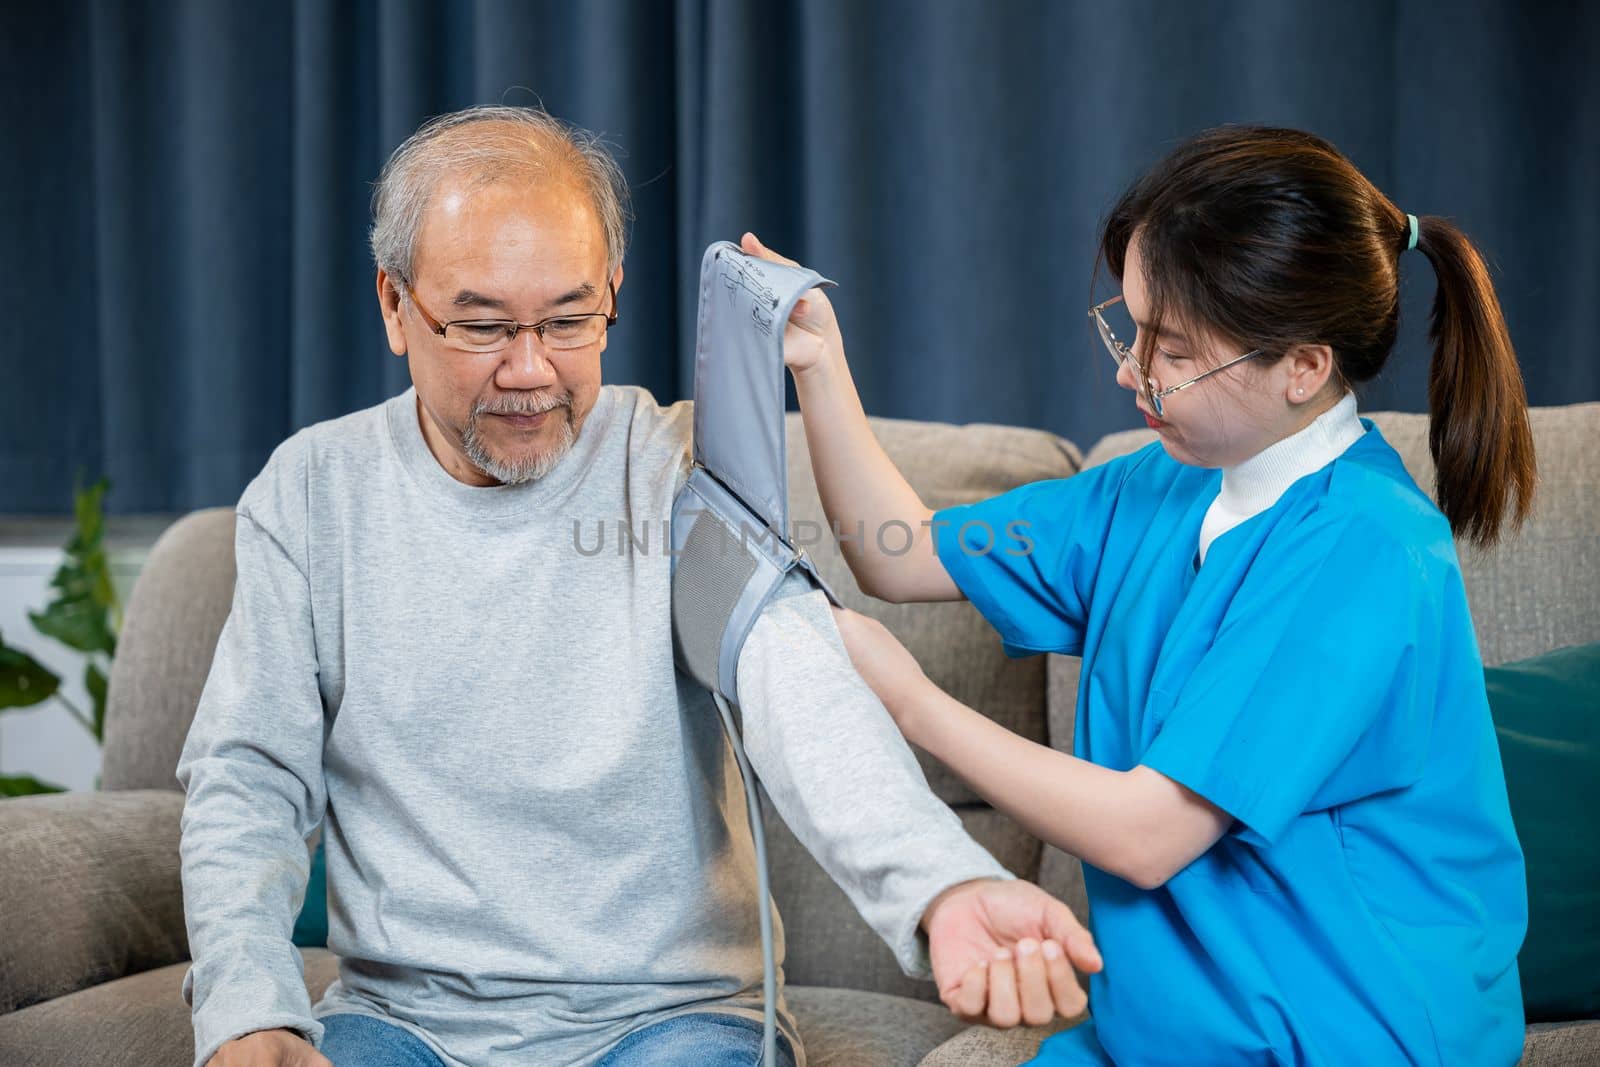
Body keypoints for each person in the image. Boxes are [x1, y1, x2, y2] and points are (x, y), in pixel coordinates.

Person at [177, 105, 1101, 1067]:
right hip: (402, 1023)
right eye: (484, 324)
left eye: (570, 320)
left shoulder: (675, 480)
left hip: (675, 1021)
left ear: (614, 294)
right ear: (394, 306)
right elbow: (250, 776)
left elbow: (796, 681)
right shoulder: (313, 494)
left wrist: (941, 885)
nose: (530, 370)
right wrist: (250, 1008)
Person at [756, 125, 1534, 1065]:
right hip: (1165, 1035)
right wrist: (822, 369)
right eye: (1129, 326)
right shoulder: (1154, 486)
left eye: (1172, 349)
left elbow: (1148, 832)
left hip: (1346, 1034)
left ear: (1304, 366)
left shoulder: (1364, 547)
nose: (1132, 372)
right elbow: (901, 552)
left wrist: (909, 699)